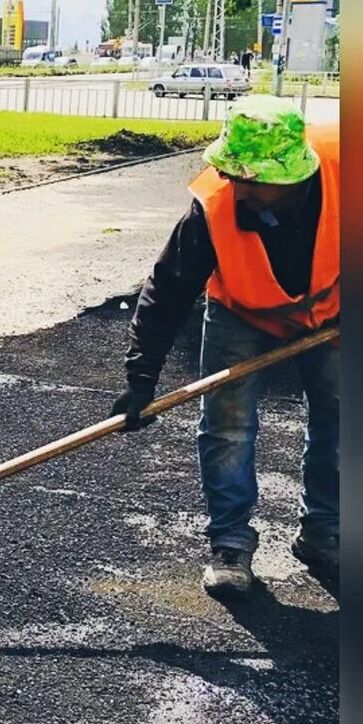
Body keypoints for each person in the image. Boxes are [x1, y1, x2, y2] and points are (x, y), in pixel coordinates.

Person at [111, 95, 338, 598]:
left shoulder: (350, 171)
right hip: (243, 310)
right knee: (228, 425)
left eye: (250, 178)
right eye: (232, 173)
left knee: (342, 419)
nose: (237, 186)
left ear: (288, 177)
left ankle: (326, 533)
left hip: (334, 311)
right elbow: (167, 288)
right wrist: (140, 378)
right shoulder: (214, 206)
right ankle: (230, 543)